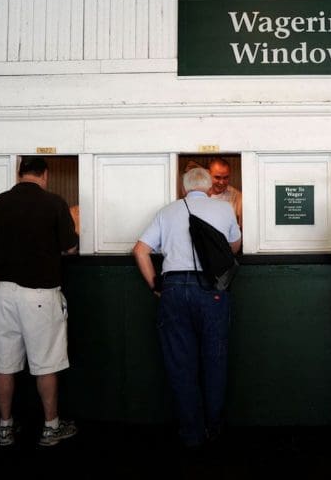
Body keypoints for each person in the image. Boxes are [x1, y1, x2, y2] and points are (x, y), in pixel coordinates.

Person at [133, 166, 241, 451]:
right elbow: (234, 246)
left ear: (183, 189)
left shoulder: (167, 211)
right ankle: (214, 428)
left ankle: (191, 433)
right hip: (211, 291)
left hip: (174, 288)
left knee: (181, 364)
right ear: (208, 188)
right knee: (214, 360)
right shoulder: (225, 208)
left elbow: (140, 250)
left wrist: (155, 285)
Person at [0, 156, 79, 447]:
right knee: (45, 363)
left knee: (3, 364)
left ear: (19, 173)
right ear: (45, 174)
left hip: (2, 292)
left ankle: (5, 427)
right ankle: (51, 427)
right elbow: (70, 246)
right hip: (40, 294)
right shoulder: (54, 203)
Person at [208, 158, 242, 228]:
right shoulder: (200, 194)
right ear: (208, 174)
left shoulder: (238, 197)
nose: (221, 182)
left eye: (225, 178)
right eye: (217, 177)